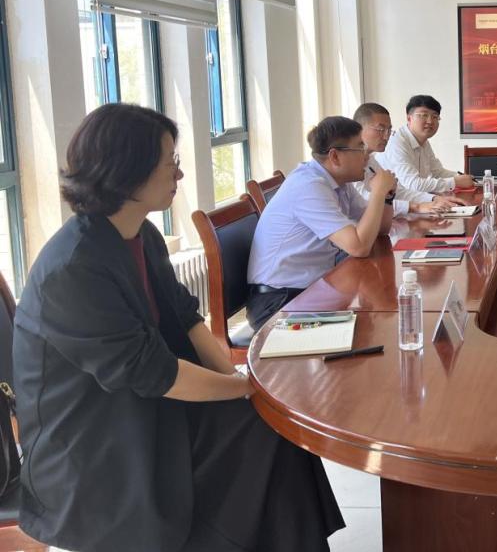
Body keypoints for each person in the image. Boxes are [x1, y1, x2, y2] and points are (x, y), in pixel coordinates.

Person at [13, 103, 343, 552]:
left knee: (273, 425)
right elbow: (155, 374)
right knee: (261, 431)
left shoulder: (140, 235)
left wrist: (239, 382)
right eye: (170, 163)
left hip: (146, 406)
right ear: (127, 170)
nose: (180, 174)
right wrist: (246, 389)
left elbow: (186, 319)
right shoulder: (73, 268)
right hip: (97, 439)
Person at [247, 116, 396, 329]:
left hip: (313, 289)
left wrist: (387, 197)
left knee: (376, 319)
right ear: (335, 156)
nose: (366, 156)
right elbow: (359, 247)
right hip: (280, 302)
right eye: (360, 148)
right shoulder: (309, 186)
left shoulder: (340, 182)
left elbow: (381, 229)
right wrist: (377, 193)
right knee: (371, 326)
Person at [352, 102, 464, 215]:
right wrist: (416, 207)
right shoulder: (350, 162)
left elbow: (398, 192)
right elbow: (363, 202)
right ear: (359, 128)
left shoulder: (371, 160)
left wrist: (434, 199)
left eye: (389, 130)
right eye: (380, 129)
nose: (386, 136)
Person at [380, 95, 475, 195]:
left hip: (418, 199)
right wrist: (454, 182)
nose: (430, 121)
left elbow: (437, 172)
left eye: (435, 117)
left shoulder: (423, 141)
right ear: (409, 118)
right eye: (424, 115)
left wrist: (460, 177)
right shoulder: (397, 142)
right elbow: (412, 184)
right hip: (396, 201)